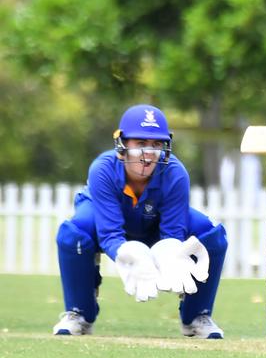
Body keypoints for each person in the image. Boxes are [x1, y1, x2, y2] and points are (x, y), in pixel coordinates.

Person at [52, 104, 228, 339]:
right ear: (122, 145)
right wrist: (127, 251)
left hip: (154, 223)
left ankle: (197, 316)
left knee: (211, 236)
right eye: (140, 143)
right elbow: (109, 234)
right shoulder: (102, 169)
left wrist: (170, 255)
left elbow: (173, 232)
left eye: (156, 145)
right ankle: (79, 313)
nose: (148, 153)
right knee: (72, 234)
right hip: (105, 220)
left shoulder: (175, 172)